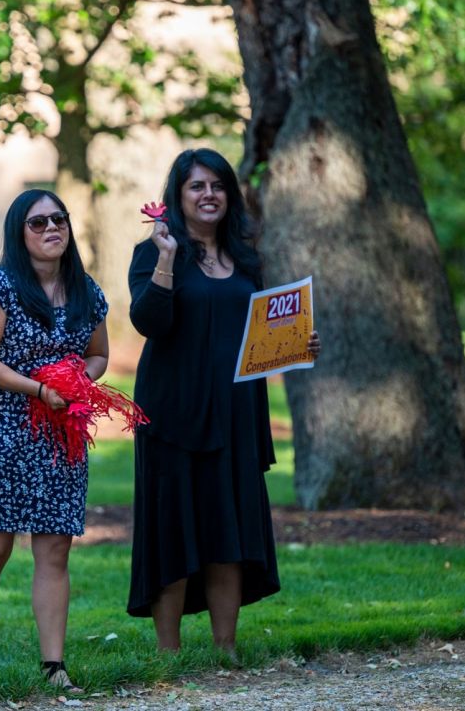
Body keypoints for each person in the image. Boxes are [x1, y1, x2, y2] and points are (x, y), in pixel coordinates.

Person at [126, 148, 321, 660]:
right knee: (173, 534)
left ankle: (225, 649)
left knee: (227, 532)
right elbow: (150, 322)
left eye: (217, 186)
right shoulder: (154, 252)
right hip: (172, 415)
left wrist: (296, 343)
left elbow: (255, 332)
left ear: (229, 195)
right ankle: (169, 653)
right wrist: (168, 258)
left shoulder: (247, 257)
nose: (208, 195)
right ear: (179, 195)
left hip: (235, 415)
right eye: (197, 186)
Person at [0, 189, 110, 692]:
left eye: (58, 220)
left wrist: (79, 380)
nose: (50, 230)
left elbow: (98, 354)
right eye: (38, 223)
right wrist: (39, 387)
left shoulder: (86, 290)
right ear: (19, 234)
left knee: (55, 549)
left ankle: (54, 666)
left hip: (59, 437)